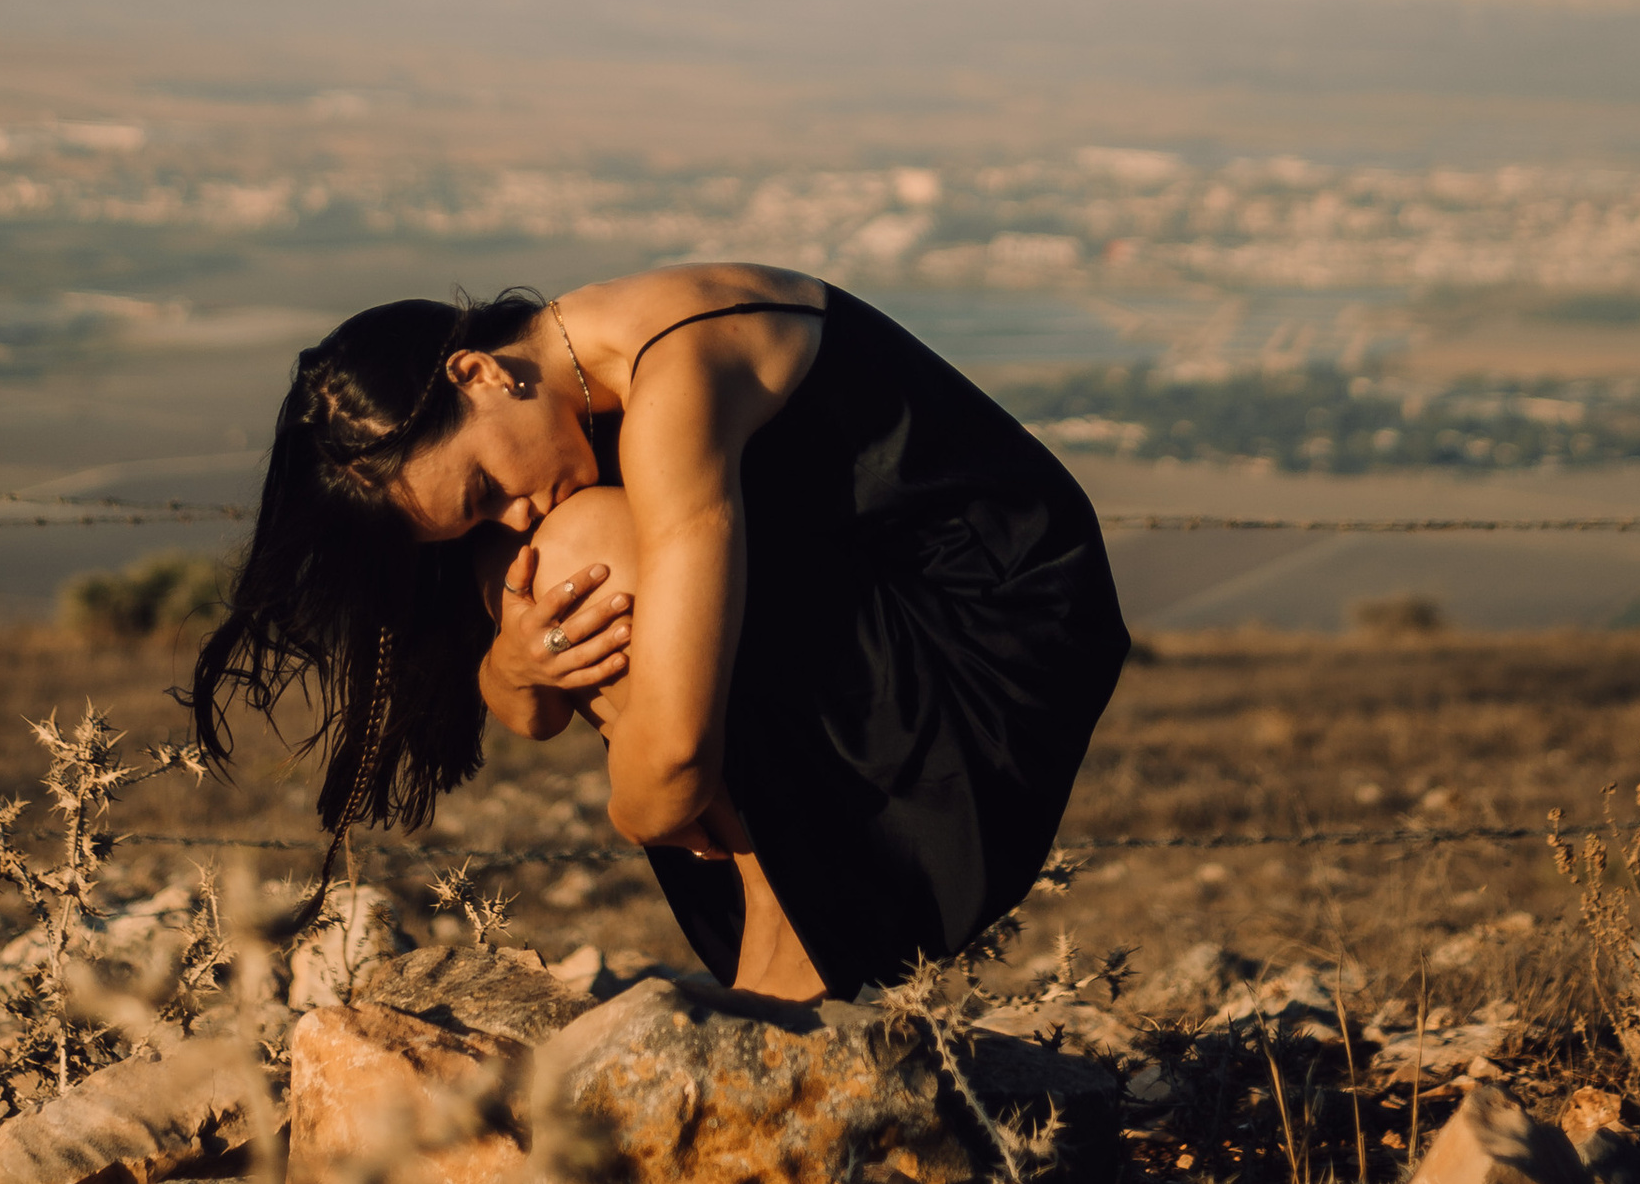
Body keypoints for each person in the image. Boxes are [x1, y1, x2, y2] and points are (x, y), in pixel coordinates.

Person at [192, 264, 1129, 1000]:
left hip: (990, 623)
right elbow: (531, 714)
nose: (511, 519)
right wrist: (515, 667)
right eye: (480, 518)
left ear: (477, 374)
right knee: (573, 547)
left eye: (486, 490)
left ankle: (791, 950)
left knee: (587, 542)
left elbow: (670, 759)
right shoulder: (558, 402)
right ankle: (790, 935)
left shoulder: (673, 368)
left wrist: (641, 803)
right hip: (868, 599)